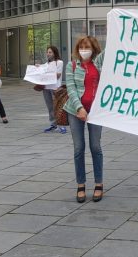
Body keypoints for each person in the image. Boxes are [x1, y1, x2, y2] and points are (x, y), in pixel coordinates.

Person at [63, 36, 104, 203]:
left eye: (87, 47)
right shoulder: (72, 65)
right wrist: (79, 108)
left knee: (96, 147)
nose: (84, 50)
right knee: (79, 148)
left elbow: (113, 50)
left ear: (93, 49)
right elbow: (71, 88)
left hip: (96, 111)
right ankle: (81, 184)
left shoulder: (99, 64)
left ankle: (99, 183)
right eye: (81, 47)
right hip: (75, 111)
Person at [42, 45, 65, 134]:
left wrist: (45, 74)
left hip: (55, 88)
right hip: (46, 88)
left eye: (50, 52)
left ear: (55, 53)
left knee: (58, 107)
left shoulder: (59, 62)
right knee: (50, 107)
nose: (48, 54)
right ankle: (53, 124)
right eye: (47, 52)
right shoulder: (46, 64)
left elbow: (58, 75)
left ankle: (61, 125)